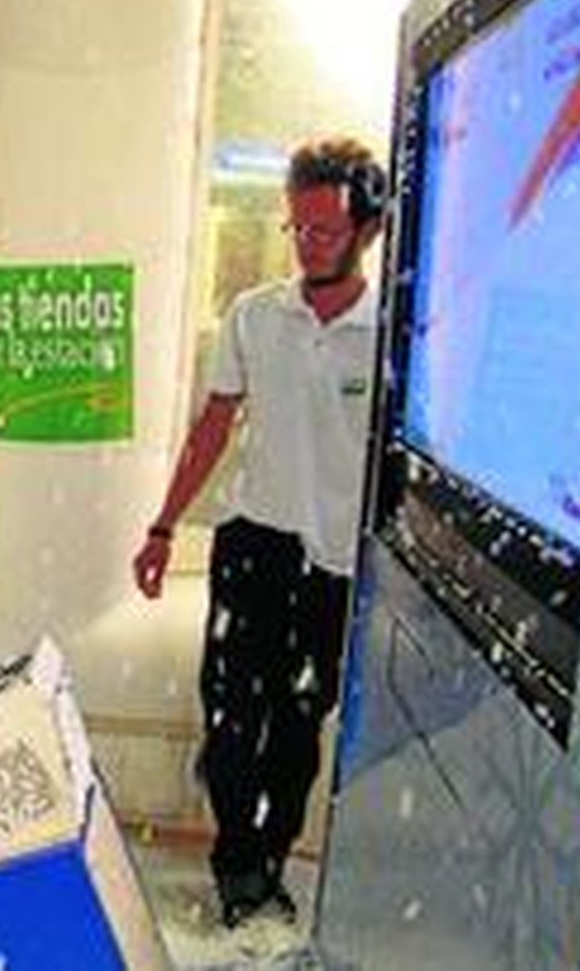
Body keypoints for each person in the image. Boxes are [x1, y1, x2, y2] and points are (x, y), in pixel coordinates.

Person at [131, 138, 386, 929]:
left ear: (366, 230)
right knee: (231, 716)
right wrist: (163, 525)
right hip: (255, 543)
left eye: (325, 231)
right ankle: (237, 864)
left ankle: (271, 855)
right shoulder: (255, 314)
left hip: (339, 561)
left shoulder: (391, 336)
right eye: (297, 229)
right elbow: (213, 427)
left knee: (299, 726)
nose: (308, 245)